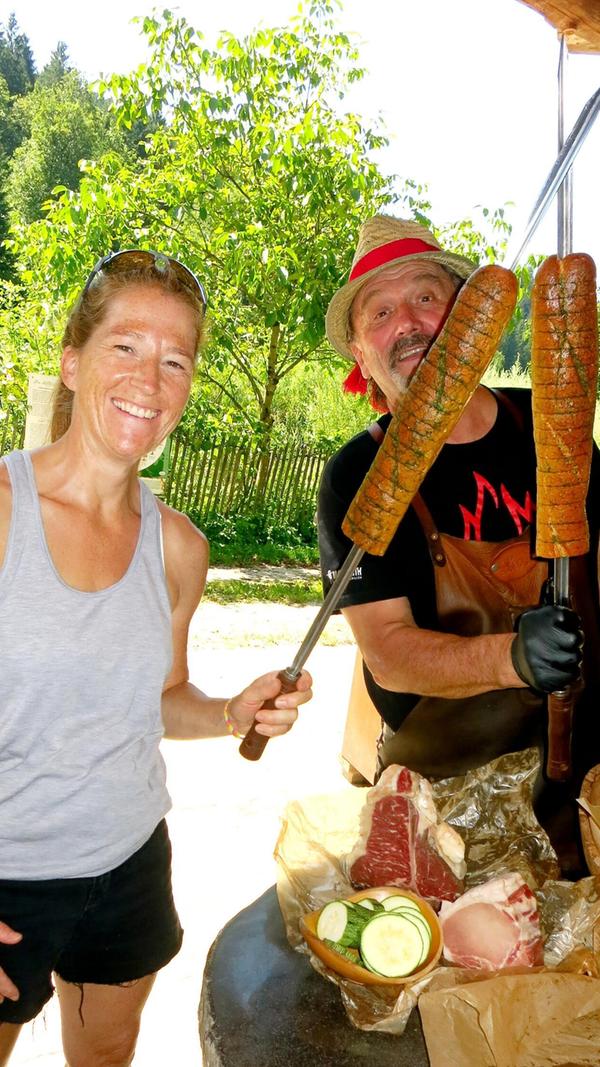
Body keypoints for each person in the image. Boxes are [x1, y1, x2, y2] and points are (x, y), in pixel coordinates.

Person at [0, 249, 312, 1067]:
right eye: (126, 346)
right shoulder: (3, 515)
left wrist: (230, 713)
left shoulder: (178, 548)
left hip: (129, 863)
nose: (151, 376)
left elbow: (162, 696)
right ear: (72, 361)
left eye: (176, 359)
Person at [318, 214, 600, 878]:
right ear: (361, 352)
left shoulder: (554, 427)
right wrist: (512, 657)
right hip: (447, 799)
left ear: (469, 315)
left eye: (425, 296)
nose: (409, 321)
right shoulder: (357, 476)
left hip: (588, 774)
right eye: (380, 311)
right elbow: (387, 653)